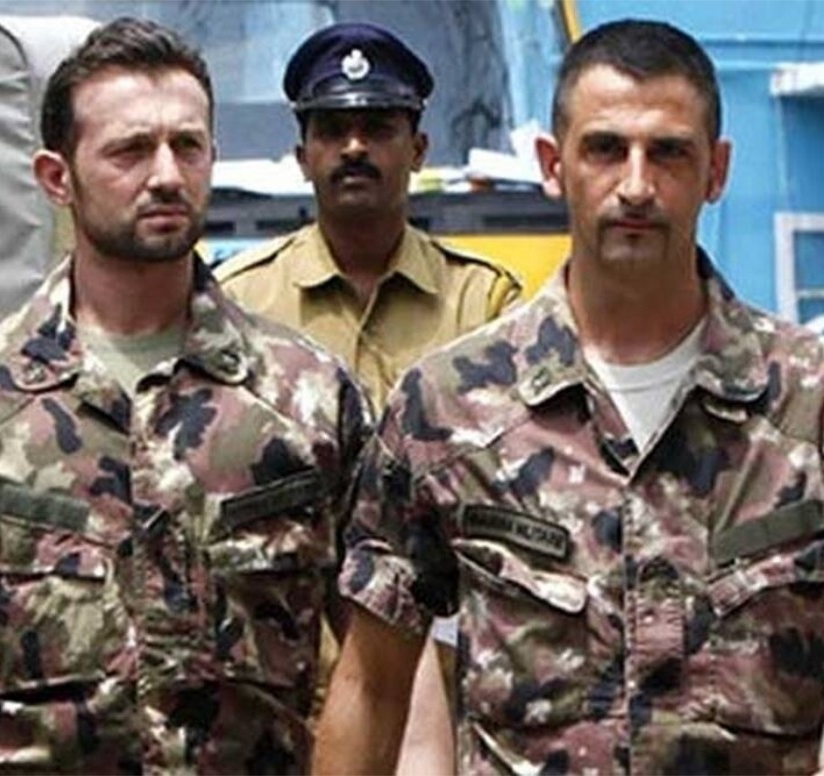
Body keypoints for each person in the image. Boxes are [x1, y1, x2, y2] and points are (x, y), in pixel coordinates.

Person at [316, 18, 824, 776]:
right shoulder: (449, 406)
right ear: (553, 165)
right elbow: (371, 686)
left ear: (717, 171)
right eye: (604, 149)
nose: (636, 186)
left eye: (669, 153)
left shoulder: (817, 400)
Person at [0, 17, 368, 775]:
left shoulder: (307, 399)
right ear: (56, 177)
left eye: (187, 146)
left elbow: (381, 657)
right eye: (130, 150)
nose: (166, 175)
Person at [215, 22, 523, 770]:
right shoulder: (238, 307)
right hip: (280, 699)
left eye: (378, 128)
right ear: (303, 154)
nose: (354, 147)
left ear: (418, 149)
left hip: (453, 705)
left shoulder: (486, 307)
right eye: (332, 129)